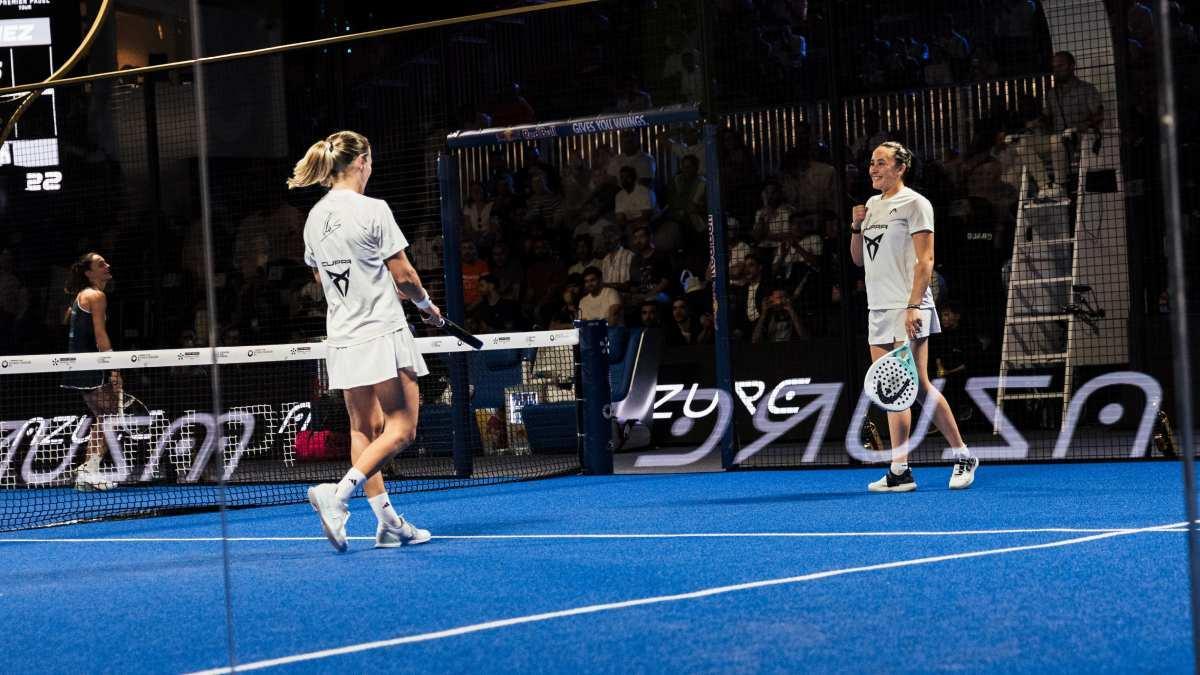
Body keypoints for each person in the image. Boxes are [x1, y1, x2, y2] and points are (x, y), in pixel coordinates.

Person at [287, 130, 440, 552]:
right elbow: (405, 276)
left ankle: (389, 522)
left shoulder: (314, 218)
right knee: (402, 429)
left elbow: (323, 279)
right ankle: (337, 496)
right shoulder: (374, 209)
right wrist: (427, 307)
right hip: (381, 332)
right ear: (362, 162)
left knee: (364, 428)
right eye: (371, 161)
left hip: (342, 336)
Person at [849, 142, 978, 493]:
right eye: (871, 164)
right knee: (901, 390)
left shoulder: (916, 204)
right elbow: (859, 261)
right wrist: (856, 226)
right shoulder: (872, 206)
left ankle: (961, 455)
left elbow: (926, 261)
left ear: (900, 167)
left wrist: (913, 306)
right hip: (877, 309)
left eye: (880, 163)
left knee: (912, 386)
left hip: (908, 305)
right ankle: (901, 471)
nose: (872, 169)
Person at [60, 252, 120, 492]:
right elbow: (99, 335)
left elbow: (66, 321)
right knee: (109, 416)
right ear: (88, 273)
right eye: (100, 264)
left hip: (79, 366)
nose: (107, 266)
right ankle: (88, 471)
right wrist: (115, 367)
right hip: (90, 367)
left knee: (105, 417)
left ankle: (89, 470)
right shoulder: (96, 295)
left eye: (106, 262)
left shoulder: (80, 296)